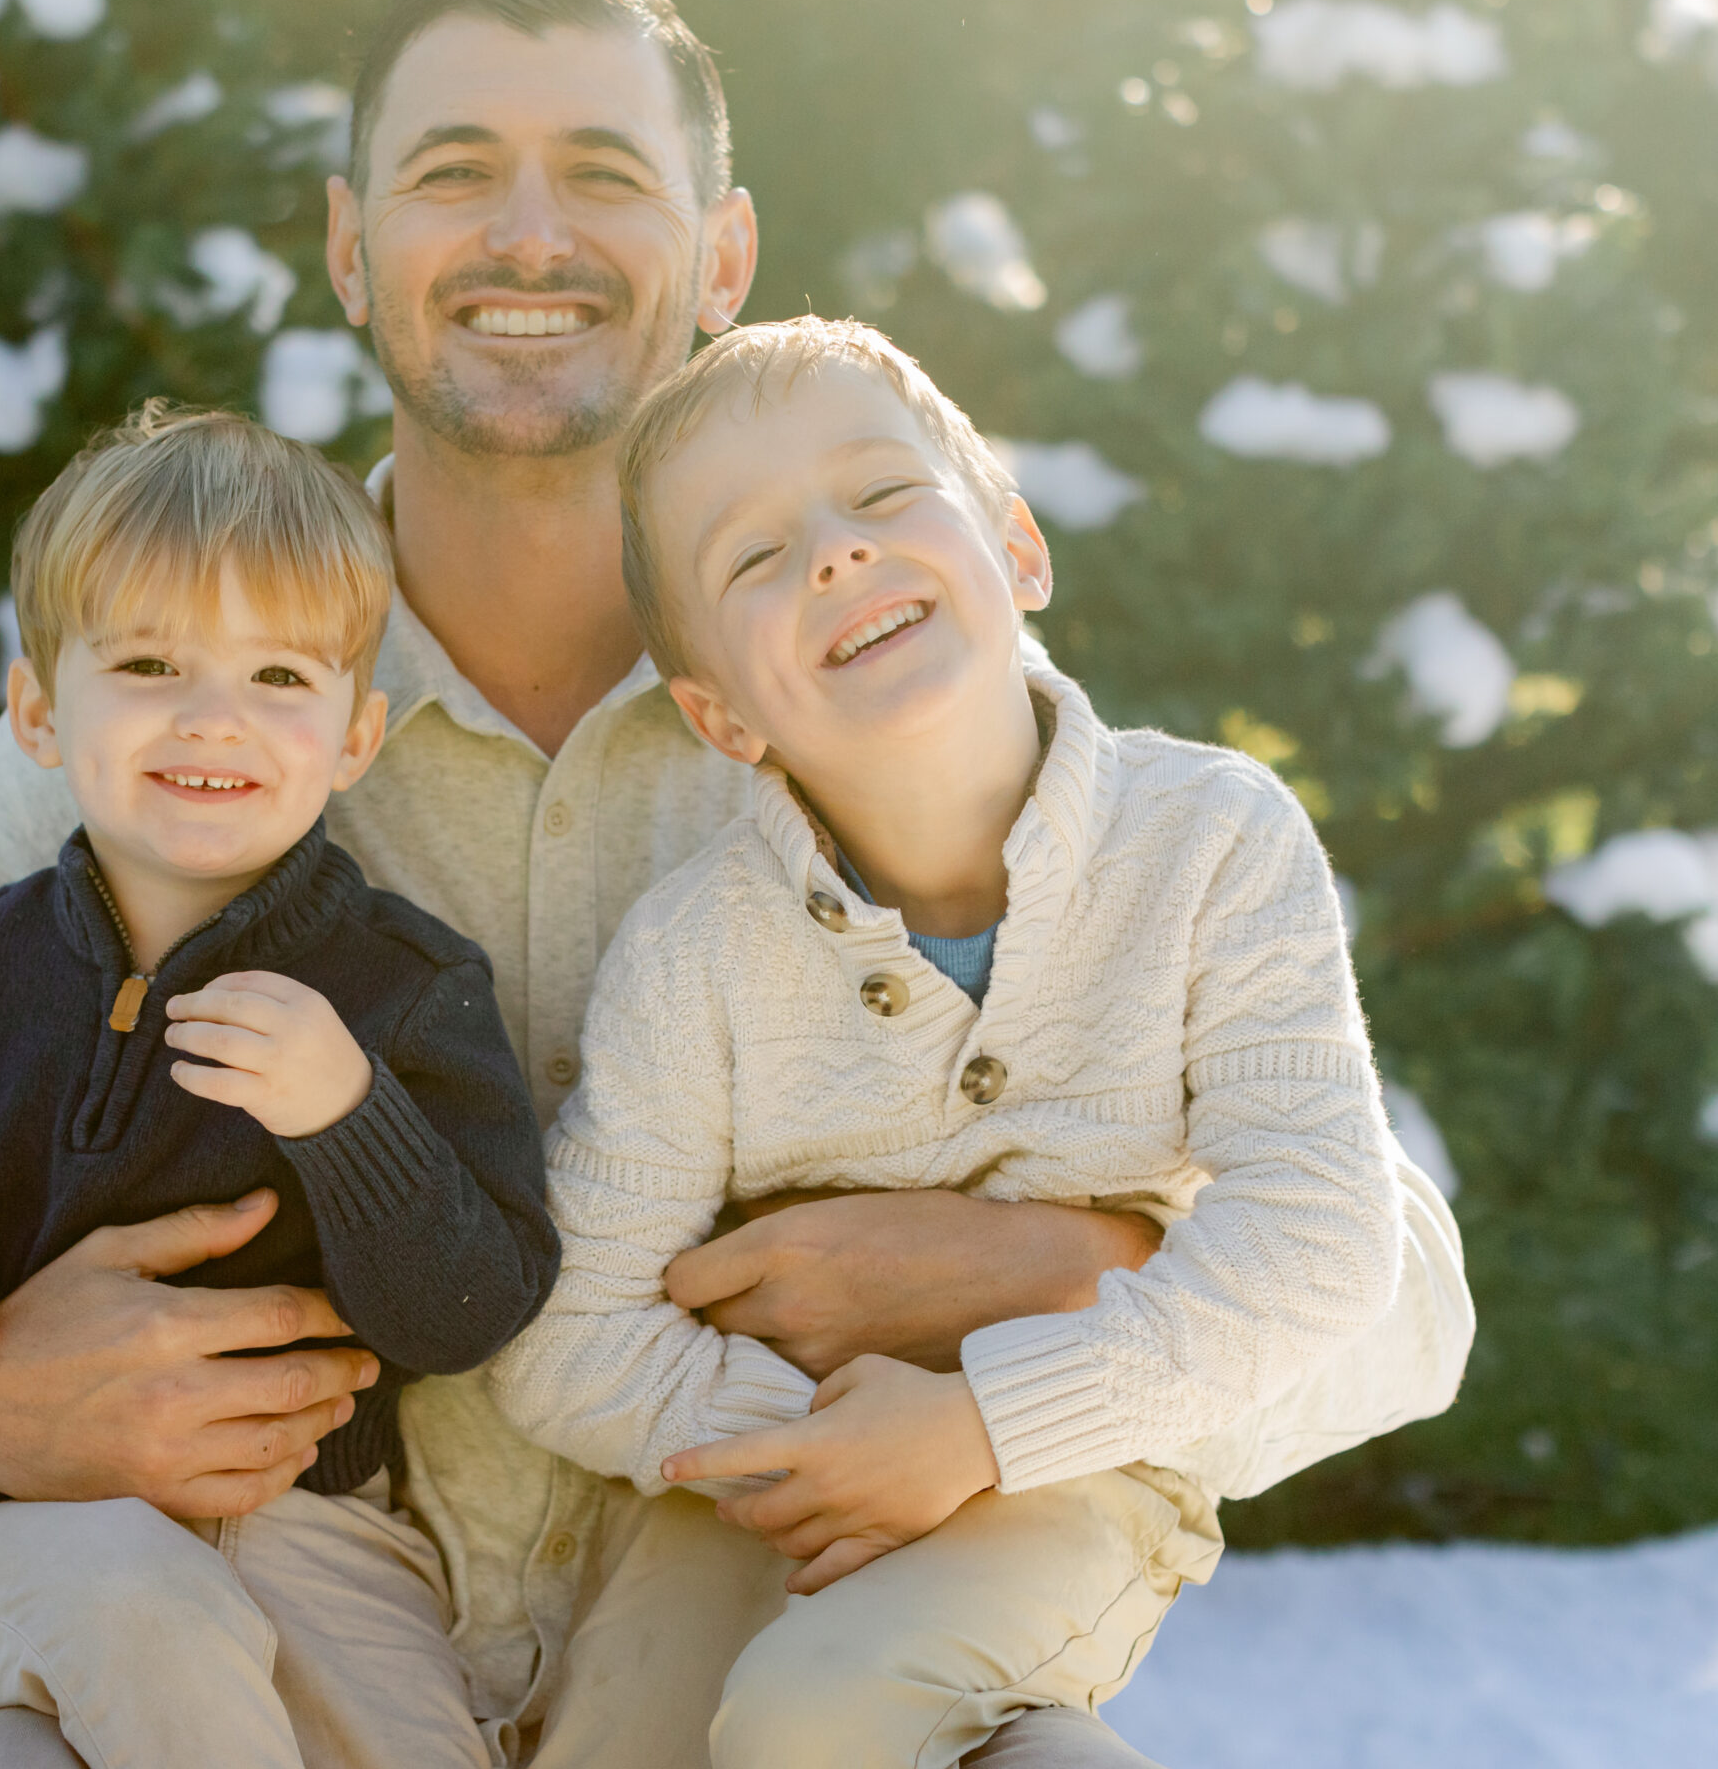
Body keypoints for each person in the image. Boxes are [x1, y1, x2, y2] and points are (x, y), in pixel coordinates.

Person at [0, 0, 1473, 1769]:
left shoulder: (885, 694)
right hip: (272, 1634)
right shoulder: (169, 720)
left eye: (608, 176)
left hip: (765, 1640)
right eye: (454, 171)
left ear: (721, 256)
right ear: (349, 247)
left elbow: (1401, 1303)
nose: (528, 236)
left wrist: (1042, 1267)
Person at [491, 315, 1413, 1765]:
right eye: (754, 557)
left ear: (1021, 548)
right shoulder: (694, 954)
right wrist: (808, 1436)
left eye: (880, 495)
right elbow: (564, 1335)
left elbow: (1322, 1237)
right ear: (716, 715)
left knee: (818, 1717)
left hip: (1086, 1464)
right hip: (761, 1484)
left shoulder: (1213, 843)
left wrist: (977, 1427)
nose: (836, 556)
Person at [0, 410, 557, 1768]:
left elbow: (476, 1308)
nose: (214, 716)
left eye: (277, 675)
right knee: (144, 1616)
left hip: (306, 1516)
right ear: (40, 710)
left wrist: (349, 1114)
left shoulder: (402, 987)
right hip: (24, 1524)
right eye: (148, 663)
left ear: (356, 736)